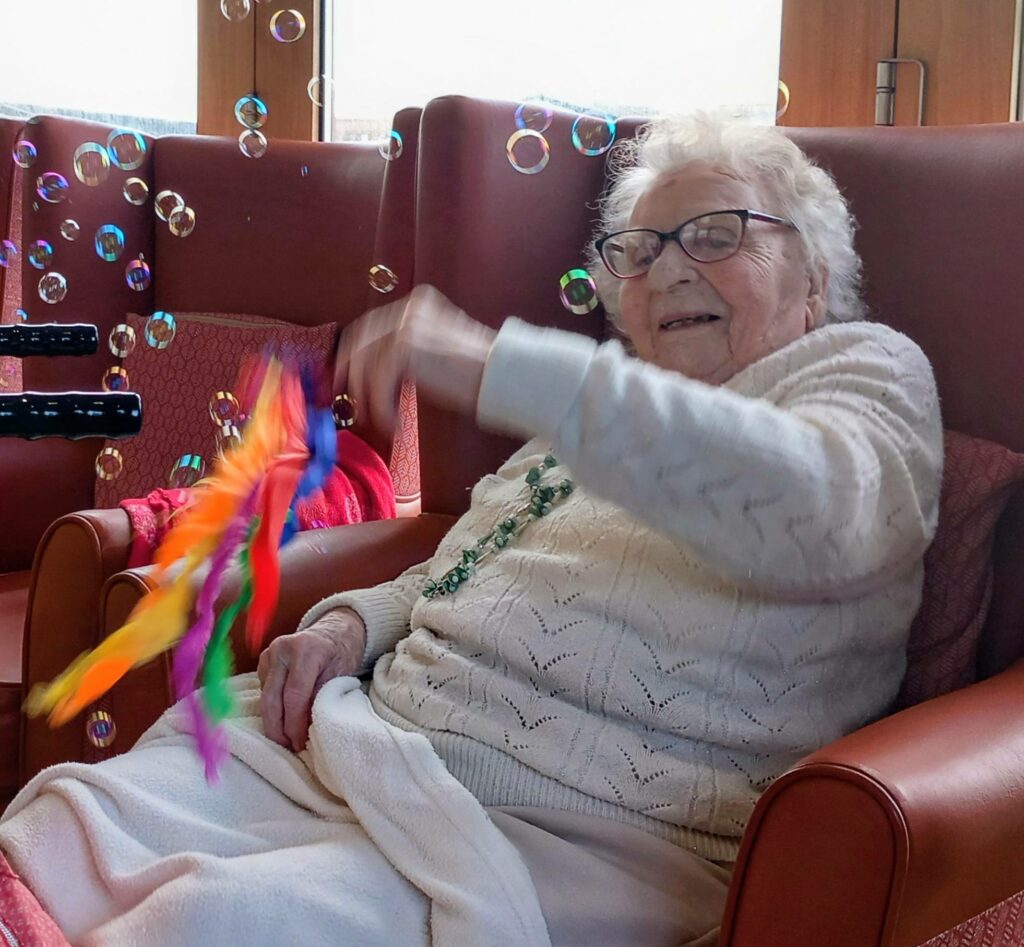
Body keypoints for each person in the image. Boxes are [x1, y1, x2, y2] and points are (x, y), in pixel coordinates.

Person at [0, 114, 942, 947]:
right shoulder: (579, 440)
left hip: (560, 835)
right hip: (356, 748)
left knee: (202, 922)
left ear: (814, 281)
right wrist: (351, 626)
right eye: (644, 249)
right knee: (63, 829)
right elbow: (462, 573)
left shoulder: (862, 375)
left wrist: (494, 361)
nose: (672, 266)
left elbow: (821, 510)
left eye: (716, 233)